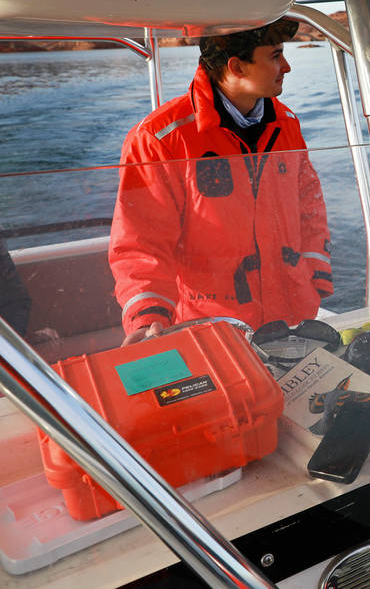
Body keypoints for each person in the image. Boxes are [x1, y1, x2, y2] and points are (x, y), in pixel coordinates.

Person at [109, 18, 332, 345]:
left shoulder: (287, 124)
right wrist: (149, 317)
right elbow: (141, 242)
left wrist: (315, 277)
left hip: (293, 320)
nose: (287, 66)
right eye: (275, 55)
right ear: (237, 66)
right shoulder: (160, 139)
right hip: (212, 331)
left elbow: (309, 206)